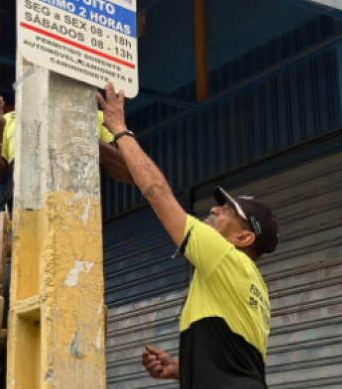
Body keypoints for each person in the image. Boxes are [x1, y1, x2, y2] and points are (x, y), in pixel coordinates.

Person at [96, 82, 279, 389]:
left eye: (228, 211)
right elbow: (235, 366)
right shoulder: (256, 290)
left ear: (244, 239)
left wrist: (119, 127)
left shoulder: (225, 256)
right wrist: (184, 370)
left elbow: (156, 192)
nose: (216, 210)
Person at [0, 92, 134, 207]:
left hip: (76, 221)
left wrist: (81, 137)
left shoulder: (97, 118)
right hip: (24, 224)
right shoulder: (9, 120)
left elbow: (132, 172)